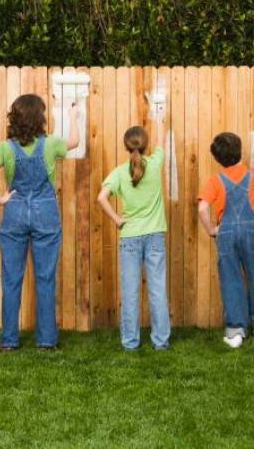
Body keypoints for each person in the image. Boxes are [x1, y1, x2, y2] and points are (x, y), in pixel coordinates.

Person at [0, 94, 79, 352]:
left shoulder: (4, 148)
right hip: (45, 214)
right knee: (45, 278)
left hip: (15, 213)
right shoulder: (51, 143)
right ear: (39, 118)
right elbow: (75, 141)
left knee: (11, 279)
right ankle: (46, 341)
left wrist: (0, 199)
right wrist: (74, 117)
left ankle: (9, 341)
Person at [97, 117, 171, 350]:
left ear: (126, 147)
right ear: (146, 145)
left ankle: (130, 342)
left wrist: (118, 220)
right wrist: (159, 119)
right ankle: (160, 342)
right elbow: (161, 142)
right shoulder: (155, 163)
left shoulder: (119, 173)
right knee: (157, 290)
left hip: (129, 237)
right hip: (155, 235)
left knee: (129, 292)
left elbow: (101, 198)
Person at [197, 132, 254, 348]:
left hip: (226, 234)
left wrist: (212, 230)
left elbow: (202, 207)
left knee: (231, 281)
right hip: (252, 233)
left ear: (217, 158)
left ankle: (235, 333)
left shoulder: (215, 180)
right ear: (241, 152)